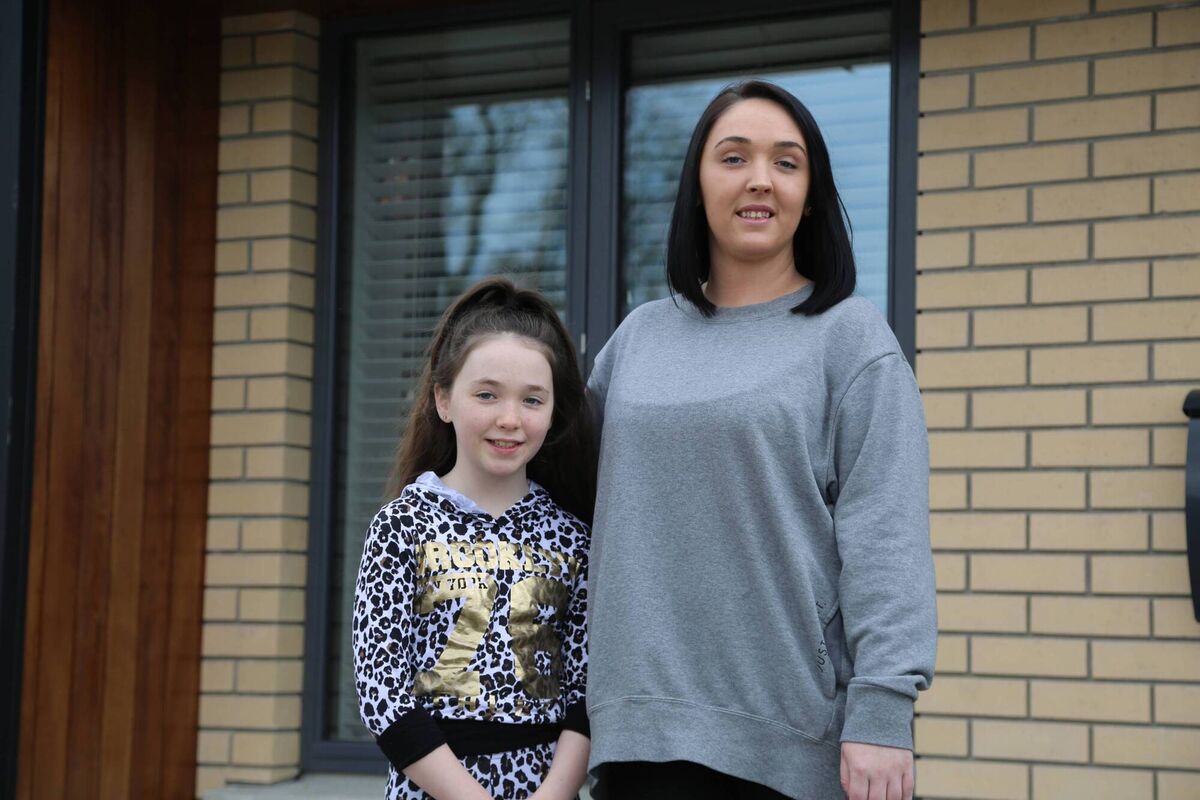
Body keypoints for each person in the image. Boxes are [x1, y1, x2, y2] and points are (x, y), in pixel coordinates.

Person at [585, 80, 937, 800]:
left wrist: (883, 709)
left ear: (811, 195)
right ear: (698, 186)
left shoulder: (850, 339)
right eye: (733, 157)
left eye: (786, 162)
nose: (759, 179)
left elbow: (887, 535)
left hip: (786, 744)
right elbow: (558, 502)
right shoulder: (638, 339)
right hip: (634, 737)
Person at [353, 278, 596, 800]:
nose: (510, 419)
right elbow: (383, 693)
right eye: (487, 394)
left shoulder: (574, 538)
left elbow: (587, 690)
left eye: (532, 399)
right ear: (443, 399)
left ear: (553, 411)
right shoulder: (402, 526)